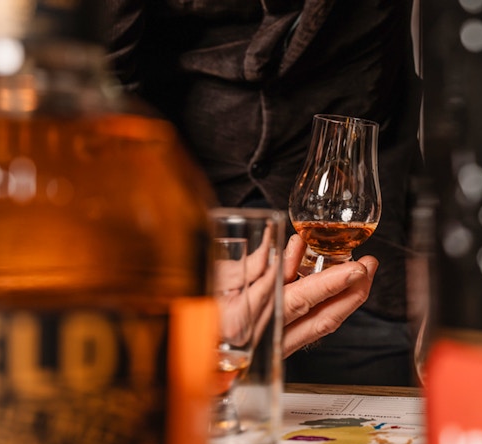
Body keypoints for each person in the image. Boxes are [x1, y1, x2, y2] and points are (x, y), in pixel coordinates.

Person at [104, 0, 422, 386]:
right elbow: (99, 81)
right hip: (189, 222)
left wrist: (453, 279)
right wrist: (135, 263)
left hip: (372, 234)